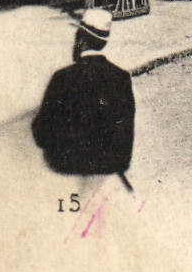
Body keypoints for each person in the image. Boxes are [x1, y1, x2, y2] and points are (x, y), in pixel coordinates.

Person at [32, 10, 135, 185]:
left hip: (67, 170)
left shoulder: (63, 78)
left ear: (81, 41)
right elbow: (125, 133)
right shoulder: (121, 78)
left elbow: (41, 132)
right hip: (109, 169)